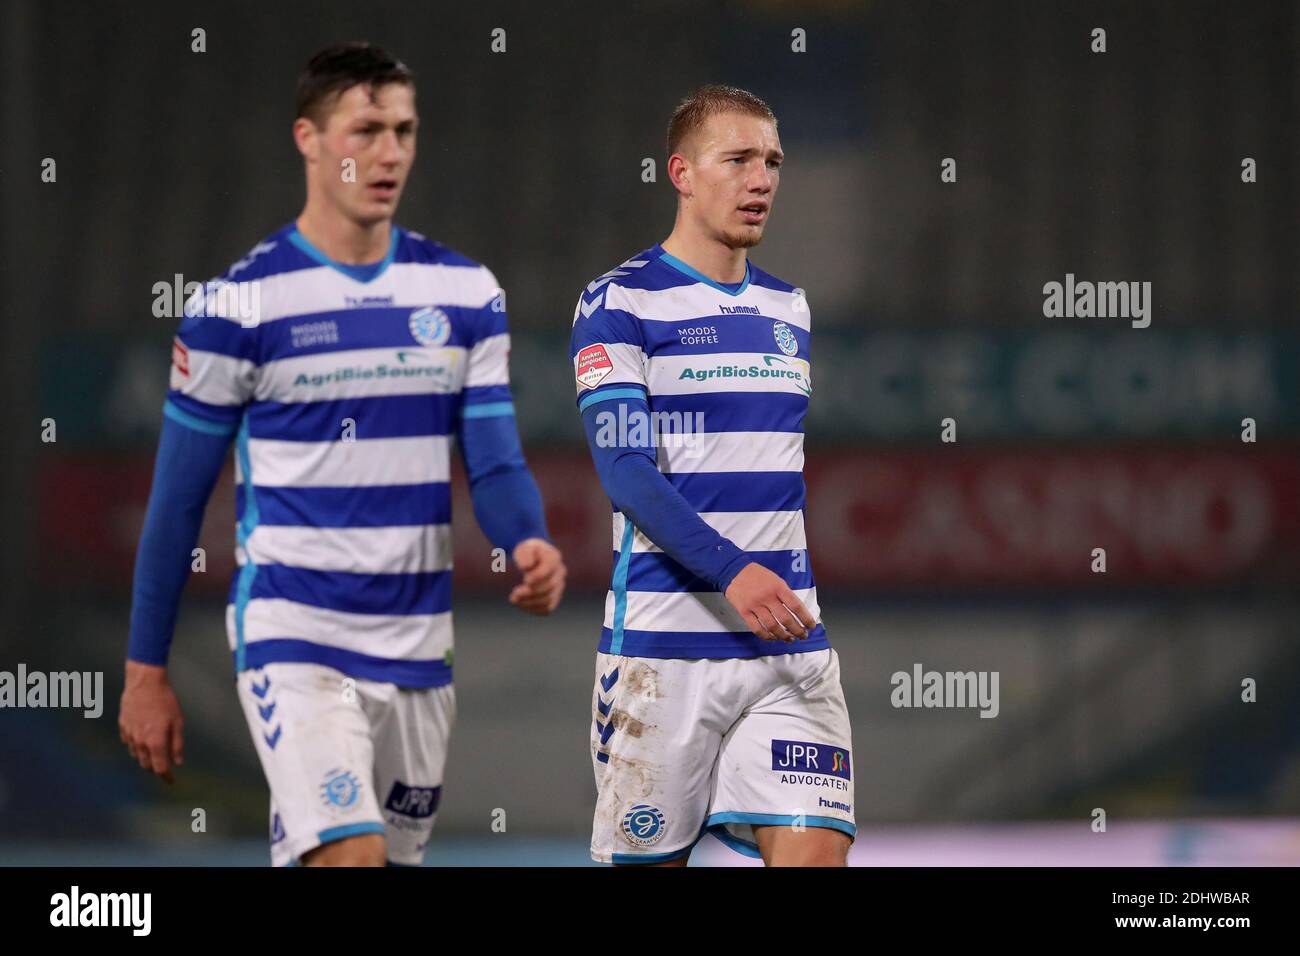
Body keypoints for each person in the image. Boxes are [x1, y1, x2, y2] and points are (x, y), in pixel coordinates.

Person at [120, 42, 565, 866]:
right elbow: (177, 503)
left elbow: (494, 464)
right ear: (310, 139)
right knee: (350, 855)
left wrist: (525, 540)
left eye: (404, 129)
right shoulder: (236, 308)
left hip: (418, 643)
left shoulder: (465, 294)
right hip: (294, 631)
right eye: (366, 129)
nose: (389, 152)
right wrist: (146, 669)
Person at [570, 84, 855, 866]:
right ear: (682, 173)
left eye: (772, 162)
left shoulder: (789, 309)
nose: (760, 178)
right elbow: (625, 472)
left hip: (787, 646)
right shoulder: (618, 302)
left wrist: (762, 583)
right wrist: (733, 572)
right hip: (663, 654)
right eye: (737, 160)